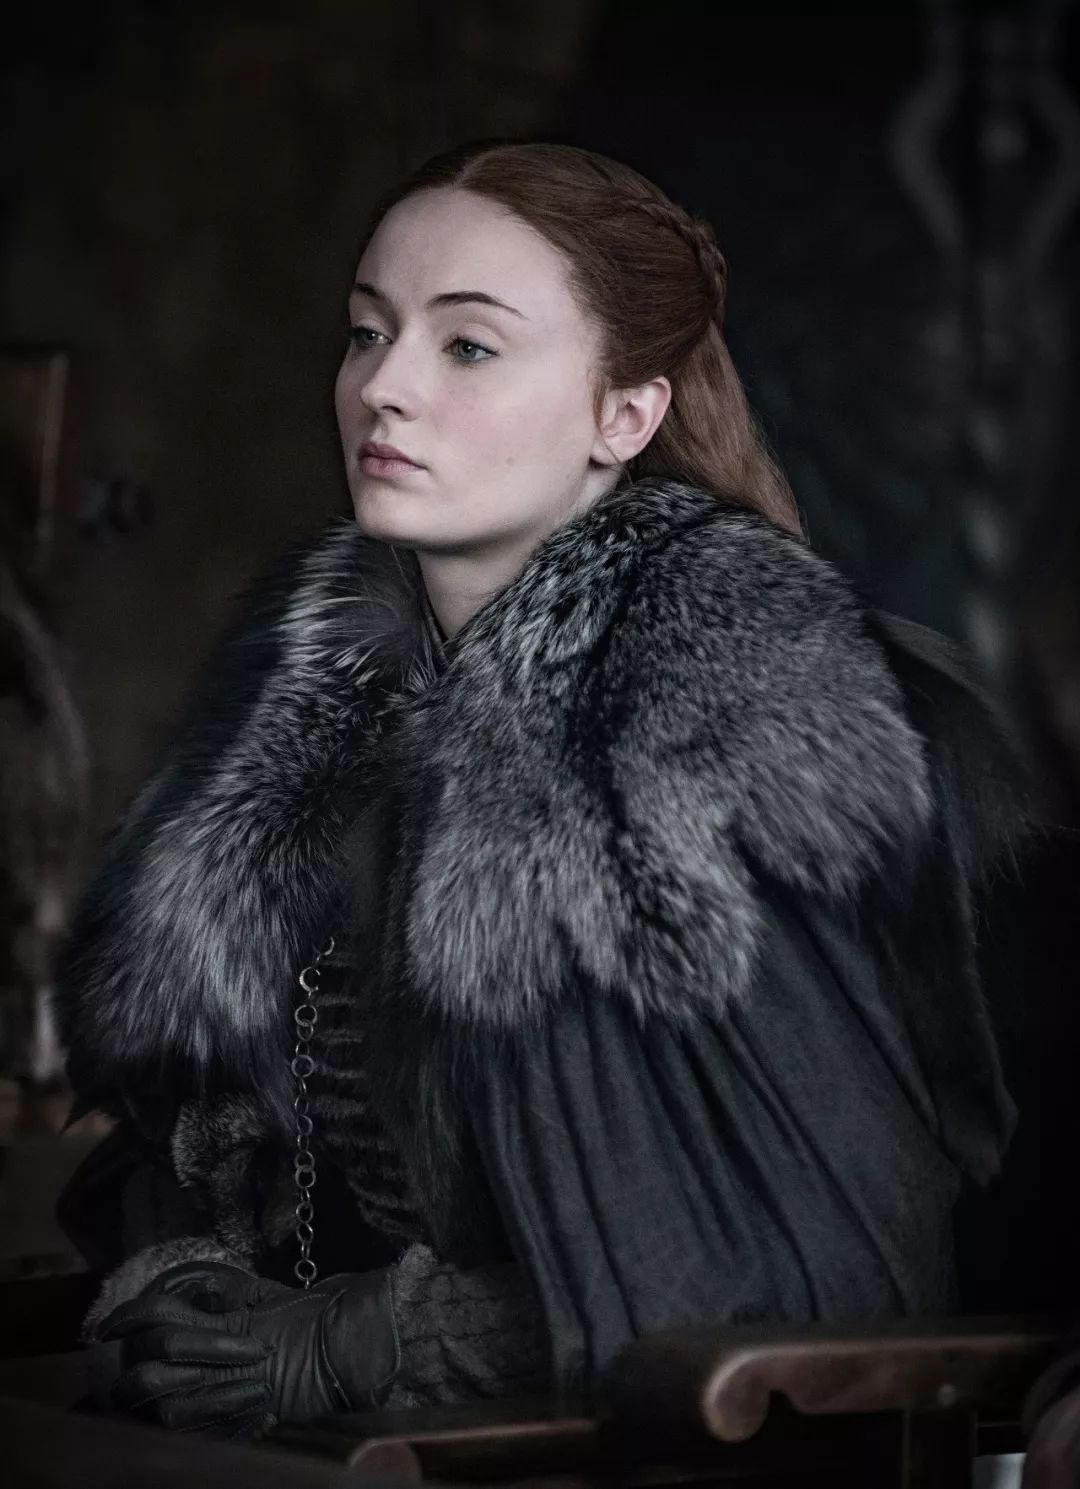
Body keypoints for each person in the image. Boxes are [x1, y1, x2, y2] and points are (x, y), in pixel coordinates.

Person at [55, 139, 1022, 1437]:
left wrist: (362, 1340)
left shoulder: (735, 731)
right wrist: (186, 1284)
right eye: (367, 332)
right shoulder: (303, 726)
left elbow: (786, 1262)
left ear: (627, 413)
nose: (383, 387)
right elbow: (190, 1138)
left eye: (468, 345)